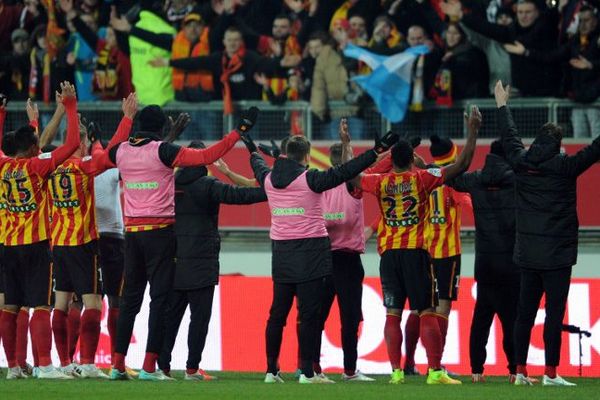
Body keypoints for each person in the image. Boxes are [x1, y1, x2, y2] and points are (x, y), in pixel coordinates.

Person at [106, 105, 257, 381]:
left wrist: (125, 118)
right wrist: (239, 131)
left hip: (131, 234)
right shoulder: (167, 154)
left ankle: (117, 364)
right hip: (160, 234)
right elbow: (208, 155)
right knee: (159, 300)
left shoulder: (120, 152)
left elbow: (107, 154)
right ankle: (149, 368)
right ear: (162, 128)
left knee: (129, 300)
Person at [248, 130, 399, 383]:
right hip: (316, 256)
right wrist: (377, 151)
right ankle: (312, 371)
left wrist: (250, 144)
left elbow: (259, 168)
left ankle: (277, 371)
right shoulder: (314, 180)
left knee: (286, 316)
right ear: (307, 156)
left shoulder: (274, 180)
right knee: (313, 316)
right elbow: (351, 171)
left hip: (291, 255)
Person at [355, 105, 481, 385]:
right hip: (419, 254)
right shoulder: (422, 179)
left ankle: (396, 372)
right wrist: (472, 131)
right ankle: (435, 371)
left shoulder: (379, 182)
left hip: (388, 256)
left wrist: (375, 154)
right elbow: (462, 166)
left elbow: (351, 176)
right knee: (427, 310)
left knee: (393, 313)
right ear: (412, 158)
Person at [494, 80, 600, 386]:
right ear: (558, 143)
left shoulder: (520, 161)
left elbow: (510, 136)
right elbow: (595, 149)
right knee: (554, 315)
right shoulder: (566, 167)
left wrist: (502, 104)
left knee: (523, 315)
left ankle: (520, 372)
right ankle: (551, 373)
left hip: (527, 255)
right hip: (557, 257)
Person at [157, 140, 267, 380]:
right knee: (199, 319)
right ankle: (192, 368)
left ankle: (162, 366)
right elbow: (241, 196)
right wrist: (273, 191)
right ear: (205, 160)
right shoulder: (207, 185)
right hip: (202, 262)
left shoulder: (168, 184)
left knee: (170, 317)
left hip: (173, 262)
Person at [48, 93, 137, 378]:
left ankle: (63, 364)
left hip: (58, 243)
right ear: (81, 142)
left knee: (61, 303)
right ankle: (88, 363)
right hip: (87, 243)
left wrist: (61, 113)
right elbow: (111, 157)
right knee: (94, 302)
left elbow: (36, 145)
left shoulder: (50, 166)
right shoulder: (85, 167)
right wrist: (127, 118)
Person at [0, 82, 81, 379]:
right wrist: (70, 107)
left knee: (10, 307)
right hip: (35, 244)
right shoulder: (38, 166)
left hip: (8, 245)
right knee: (40, 306)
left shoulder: (3, 166)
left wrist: (2, 113)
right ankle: (45, 365)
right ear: (34, 149)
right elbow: (72, 144)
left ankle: (12, 368)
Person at [449, 140, 520, 383]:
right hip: (510, 262)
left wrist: (426, 164)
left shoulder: (476, 179)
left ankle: (477, 371)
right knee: (511, 320)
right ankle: (515, 371)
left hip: (484, 262)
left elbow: (451, 178)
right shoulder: (517, 180)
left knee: (481, 319)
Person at [311, 119, 374, 382]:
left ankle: (311, 369)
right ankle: (349, 371)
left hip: (323, 258)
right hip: (347, 261)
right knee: (349, 319)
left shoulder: (319, 184)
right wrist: (348, 144)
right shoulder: (353, 185)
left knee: (316, 317)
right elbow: (353, 170)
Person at [503, 5, 600, 137]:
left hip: (596, 102)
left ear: (595, 20)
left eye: (587, 20)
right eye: (580, 20)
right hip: (578, 99)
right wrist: (526, 52)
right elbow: (551, 56)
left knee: (596, 140)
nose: (583, 24)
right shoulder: (575, 42)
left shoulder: (597, 41)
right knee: (579, 140)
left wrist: (591, 65)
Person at [440, 0, 561, 96]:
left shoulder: (545, 31)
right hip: (505, 96)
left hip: (540, 96)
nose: (524, 16)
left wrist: (526, 52)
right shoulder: (509, 33)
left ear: (537, 13)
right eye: (520, 12)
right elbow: (486, 28)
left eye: (528, 12)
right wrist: (461, 16)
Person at [426, 135, 471, 362]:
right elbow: (470, 205)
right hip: (448, 253)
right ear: (453, 155)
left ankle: (412, 363)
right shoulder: (454, 183)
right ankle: (437, 364)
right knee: (443, 308)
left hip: (425, 252)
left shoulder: (424, 178)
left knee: (424, 310)